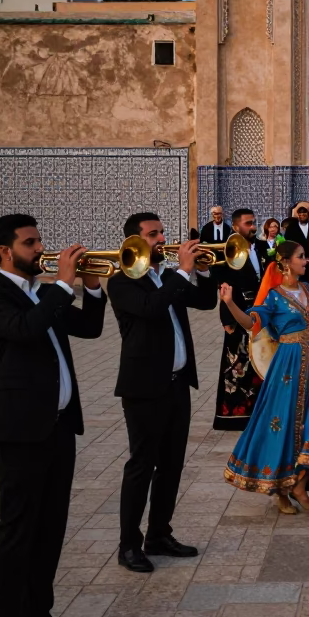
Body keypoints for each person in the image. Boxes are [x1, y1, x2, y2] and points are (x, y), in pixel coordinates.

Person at [0, 215, 106, 617]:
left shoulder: (39, 295)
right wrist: (62, 285)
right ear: (5, 252)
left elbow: (89, 330)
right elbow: (27, 330)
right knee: (17, 532)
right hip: (18, 434)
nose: (40, 248)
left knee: (50, 529)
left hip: (57, 428)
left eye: (39, 240)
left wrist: (91, 286)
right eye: (30, 243)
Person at [108, 214, 218, 573]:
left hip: (176, 385)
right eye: (153, 235)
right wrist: (182, 272)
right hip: (143, 388)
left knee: (171, 465)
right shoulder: (122, 283)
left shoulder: (166, 277)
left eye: (161, 233)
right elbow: (151, 310)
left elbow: (205, 301)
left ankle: (159, 534)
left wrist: (200, 269)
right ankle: (128, 544)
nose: (162, 239)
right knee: (141, 465)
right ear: (134, 243)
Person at [219, 241, 309, 513]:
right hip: (287, 366)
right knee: (284, 424)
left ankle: (299, 483)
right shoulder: (275, 297)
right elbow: (251, 324)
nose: (306, 260)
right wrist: (230, 303)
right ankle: (279, 488)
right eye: (301, 257)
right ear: (287, 263)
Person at [212, 208, 265, 431]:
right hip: (237, 311)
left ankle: (260, 412)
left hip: (261, 313)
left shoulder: (262, 248)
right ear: (235, 227)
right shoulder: (228, 251)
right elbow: (221, 285)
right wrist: (227, 318)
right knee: (237, 365)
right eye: (247, 223)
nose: (252, 227)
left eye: (253, 223)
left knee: (260, 362)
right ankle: (234, 416)